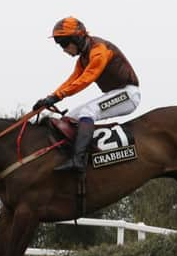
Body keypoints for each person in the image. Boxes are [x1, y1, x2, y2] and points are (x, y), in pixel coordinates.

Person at [33, 16, 140, 172]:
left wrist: (57, 97)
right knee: (70, 119)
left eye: (64, 43)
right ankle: (82, 154)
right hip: (114, 93)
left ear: (77, 38)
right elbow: (71, 81)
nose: (63, 49)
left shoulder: (99, 50)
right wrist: (49, 98)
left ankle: (79, 159)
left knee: (88, 112)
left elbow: (86, 79)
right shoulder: (82, 59)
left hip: (128, 94)